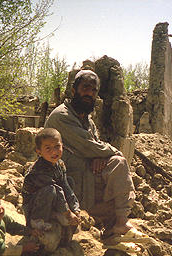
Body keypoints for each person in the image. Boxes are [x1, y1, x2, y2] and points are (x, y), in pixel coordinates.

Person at [45, 69, 135, 238]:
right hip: (66, 187)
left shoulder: (88, 121)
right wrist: (107, 152)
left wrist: (98, 155)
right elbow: (89, 146)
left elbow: (95, 148)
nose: (90, 93)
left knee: (117, 180)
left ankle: (115, 228)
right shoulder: (62, 116)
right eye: (85, 88)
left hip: (86, 179)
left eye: (93, 90)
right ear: (74, 91)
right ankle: (119, 224)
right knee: (119, 161)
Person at [22, 128, 80, 238]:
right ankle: (37, 222)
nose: (54, 152)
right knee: (50, 190)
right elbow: (57, 192)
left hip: (52, 198)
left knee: (69, 181)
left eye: (57, 147)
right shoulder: (39, 170)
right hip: (33, 206)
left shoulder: (60, 164)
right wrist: (68, 214)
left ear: (62, 145)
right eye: (48, 148)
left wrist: (75, 209)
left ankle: (55, 215)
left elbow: (65, 187)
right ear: (38, 151)